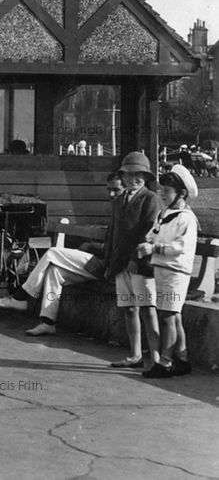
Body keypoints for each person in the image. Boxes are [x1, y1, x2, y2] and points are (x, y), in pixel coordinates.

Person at [0, 173, 125, 335]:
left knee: (53, 253)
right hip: (102, 263)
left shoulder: (126, 210)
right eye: (109, 190)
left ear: (127, 188)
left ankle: (21, 296)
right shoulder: (118, 209)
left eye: (116, 190)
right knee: (55, 272)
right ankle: (48, 322)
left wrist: (94, 249)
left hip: (108, 267)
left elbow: (119, 247)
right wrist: (91, 246)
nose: (111, 194)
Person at [137, 164, 198, 378]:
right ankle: (182, 359)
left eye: (167, 190)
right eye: (162, 189)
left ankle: (164, 363)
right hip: (162, 270)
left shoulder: (186, 218)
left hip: (175, 274)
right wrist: (148, 241)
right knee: (174, 316)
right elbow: (154, 233)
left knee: (168, 316)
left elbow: (180, 246)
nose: (162, 193)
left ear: (181, 193)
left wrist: (154, 248)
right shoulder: (165, 214)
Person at [104, 151, 161, 369]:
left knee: (148, 309)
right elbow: (113, 233)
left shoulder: (151, 199)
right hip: (120, 265)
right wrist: (109, 262)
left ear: (146, 178)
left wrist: (136, 260)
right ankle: (135, 355)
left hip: (141, 266)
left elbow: (148, 233)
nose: (133, 178)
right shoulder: (119, 200)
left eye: (139, 175)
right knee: (129, 309)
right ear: (122, 176)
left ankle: (155, 359)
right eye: (128, 174)